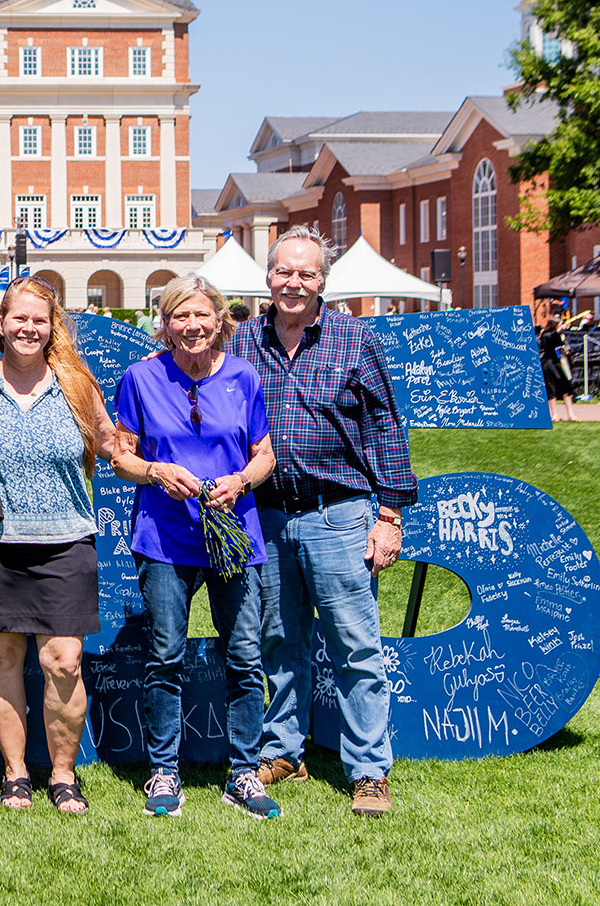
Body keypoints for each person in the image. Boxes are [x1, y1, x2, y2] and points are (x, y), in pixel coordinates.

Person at [231, 225, 416, 818]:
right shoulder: (241, 343)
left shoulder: (353, 339)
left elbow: (386, 427)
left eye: (306, 274)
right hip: (266, 516)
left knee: (355, 647)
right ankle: (284, 750)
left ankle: (368, 770)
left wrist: (389, 515)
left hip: (339, 516)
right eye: (284, 271)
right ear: (268, 276)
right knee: (278, 641)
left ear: (322, 281)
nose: (293, 283)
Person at [112, 274, 279, 820]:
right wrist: (155, 470)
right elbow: (122, 457)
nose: (192, 326)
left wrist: (242, 482)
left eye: (201, 315)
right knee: (165, 655)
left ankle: (245, 774)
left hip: (234, 536)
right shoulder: (140, 378)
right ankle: (165, 773)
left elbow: (264, 454)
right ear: (165, 324)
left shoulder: (244, 376)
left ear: (220, 321)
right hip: (165, 537)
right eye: (180, 316)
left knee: (245, 655)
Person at [0, 276, 118, 816]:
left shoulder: (76, 383)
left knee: (63, 661)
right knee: (4, 656)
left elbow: (113, 446)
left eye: (40, 319)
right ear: (0, 321)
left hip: (66, 542)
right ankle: (15, 775)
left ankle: (62, 775)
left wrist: (153, 465)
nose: (29, 328)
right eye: (19, 318)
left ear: (52, 324)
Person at [538, 318, 578, 422]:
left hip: (545, 363)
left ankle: (554, 415)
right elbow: (562, 346)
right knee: (566, 388)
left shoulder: (543, 334)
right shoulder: (554, 334)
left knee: (551, 389)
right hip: (554, 364)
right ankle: (571, 415)